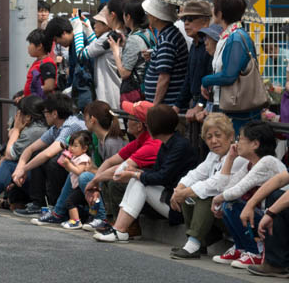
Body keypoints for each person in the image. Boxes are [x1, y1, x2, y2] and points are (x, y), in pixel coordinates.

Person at [93, 104, 195, 242]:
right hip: (169, 197)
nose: (148, 126)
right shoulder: (167, 143)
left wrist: (135, 174)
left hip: (178, 205)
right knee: (138, 179)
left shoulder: (179, 145)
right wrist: (137, 172)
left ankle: (120, 229)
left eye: (149, 123)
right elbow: (158, 173)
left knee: (139, 182)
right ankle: (119, 228)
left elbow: (162, 177)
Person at [210, 122, 285, 268]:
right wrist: (230, 159)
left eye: (240, 139)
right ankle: (241, 248)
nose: (236, 143)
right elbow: (224, 189)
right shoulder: (249, 164)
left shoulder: (268, 162)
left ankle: (255, 252)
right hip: (265, 217)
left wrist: (218, 199)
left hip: (277, 220)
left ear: (255, 144)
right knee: (227, 204)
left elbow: (234, 192)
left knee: (230, 204)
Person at [83, 100, 163, 234]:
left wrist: (94, 181)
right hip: (149, 190)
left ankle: (129, 226)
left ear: (139, 126)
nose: (126, 122)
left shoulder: (152, 143)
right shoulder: (141, 140)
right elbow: (109, 162)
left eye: (130, 119)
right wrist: (96, 182)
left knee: (116, 181)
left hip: (161, 197)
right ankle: (112, 220)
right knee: (108, 178)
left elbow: (119, 169)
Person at [168, 112, 239, 258]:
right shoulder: (213, 155)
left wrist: (186, 192)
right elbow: (196, 174)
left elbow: (216, 185)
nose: (214, 141)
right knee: (189, 198)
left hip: (237, 215)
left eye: (218, 135)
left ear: (231, 136)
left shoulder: (237, 156)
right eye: (209, 137)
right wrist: (179, 189)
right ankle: (197, 243)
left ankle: (193, 244)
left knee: (205, 197)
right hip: (220, 213)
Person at [11, 93, 85, 217]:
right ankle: (37, 204)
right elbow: (30, 149)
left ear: (54, 114)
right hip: (71, 163)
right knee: (36, 154)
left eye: (45, 112)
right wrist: (20, 168)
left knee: (53, 162)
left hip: (81, 165)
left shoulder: (71, 125)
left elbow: (49, 153)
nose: (44, 115)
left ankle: (55, 207)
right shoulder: (55, 127)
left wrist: (24, 169)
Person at [201, 0, 264, 134]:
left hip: (236, 110)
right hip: (231, 106)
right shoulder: (230, 36)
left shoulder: (235, 38)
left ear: (220, 13)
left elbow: (228, 76)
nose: (212, 10)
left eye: (214, 7)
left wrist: (205, 80)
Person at [0, 94, 47, 211]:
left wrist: (17, 129)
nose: (17, 116)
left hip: (38, 182)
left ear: (28, 117)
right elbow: (11, 136)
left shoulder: (33, 131)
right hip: (34, 177)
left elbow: (10, 153)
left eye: (20, 114)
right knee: (6, 162)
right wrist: (16, 130)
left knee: (8, 165)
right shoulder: (35, 128)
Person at [141, 0, 187, 107]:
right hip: (167, 105)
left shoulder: (167, 39)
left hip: (166, 107)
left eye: (149, 13)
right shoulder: (168, 35)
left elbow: (164, 77)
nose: (148, 16)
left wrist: (155, 105)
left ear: (156, 17)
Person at [174, 0, 214, 120]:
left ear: (206, 21)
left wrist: (200, 105)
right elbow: (188, 79)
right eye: (183, 19)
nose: (186, 23)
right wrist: (177, 105)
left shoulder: (210, 45)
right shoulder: (194, 45)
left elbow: (211, 79)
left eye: (190, 19)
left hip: (207, 106)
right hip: (194, 102)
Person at [53, 130, 95, 228]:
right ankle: (77, 219)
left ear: (84, 148)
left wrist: (69, 165)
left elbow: (79, 172)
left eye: (75, 146)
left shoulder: (84, 158)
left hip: (83, 187)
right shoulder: (76, 157)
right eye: (70, 145)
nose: (71, 148)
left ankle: (75, 221)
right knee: (72, 202)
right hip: (77, 186)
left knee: (70, 201)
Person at [85, 4, 122, 109]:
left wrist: (77, 29)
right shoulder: (115, 34)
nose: (94, 25)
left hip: (109, 91)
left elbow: (84, 54)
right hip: (112, 90)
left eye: (97, 22)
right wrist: (88, 29)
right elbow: (96, 46)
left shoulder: (108, 37)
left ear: (106, 25)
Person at [116, 0, 153, 104]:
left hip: (135, 91)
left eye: (124, 14)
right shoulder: (147, 32)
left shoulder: (133, 39)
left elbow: (124, 73)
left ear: (128, 17)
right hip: (146, 86)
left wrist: (115, 51)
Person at [22, 28, 56, 97]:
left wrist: (34, 92)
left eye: (30, 43)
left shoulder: (47, 63)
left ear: (39, 46)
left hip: (40, 105)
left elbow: (49, 86)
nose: (28, 47)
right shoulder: (38, 62)